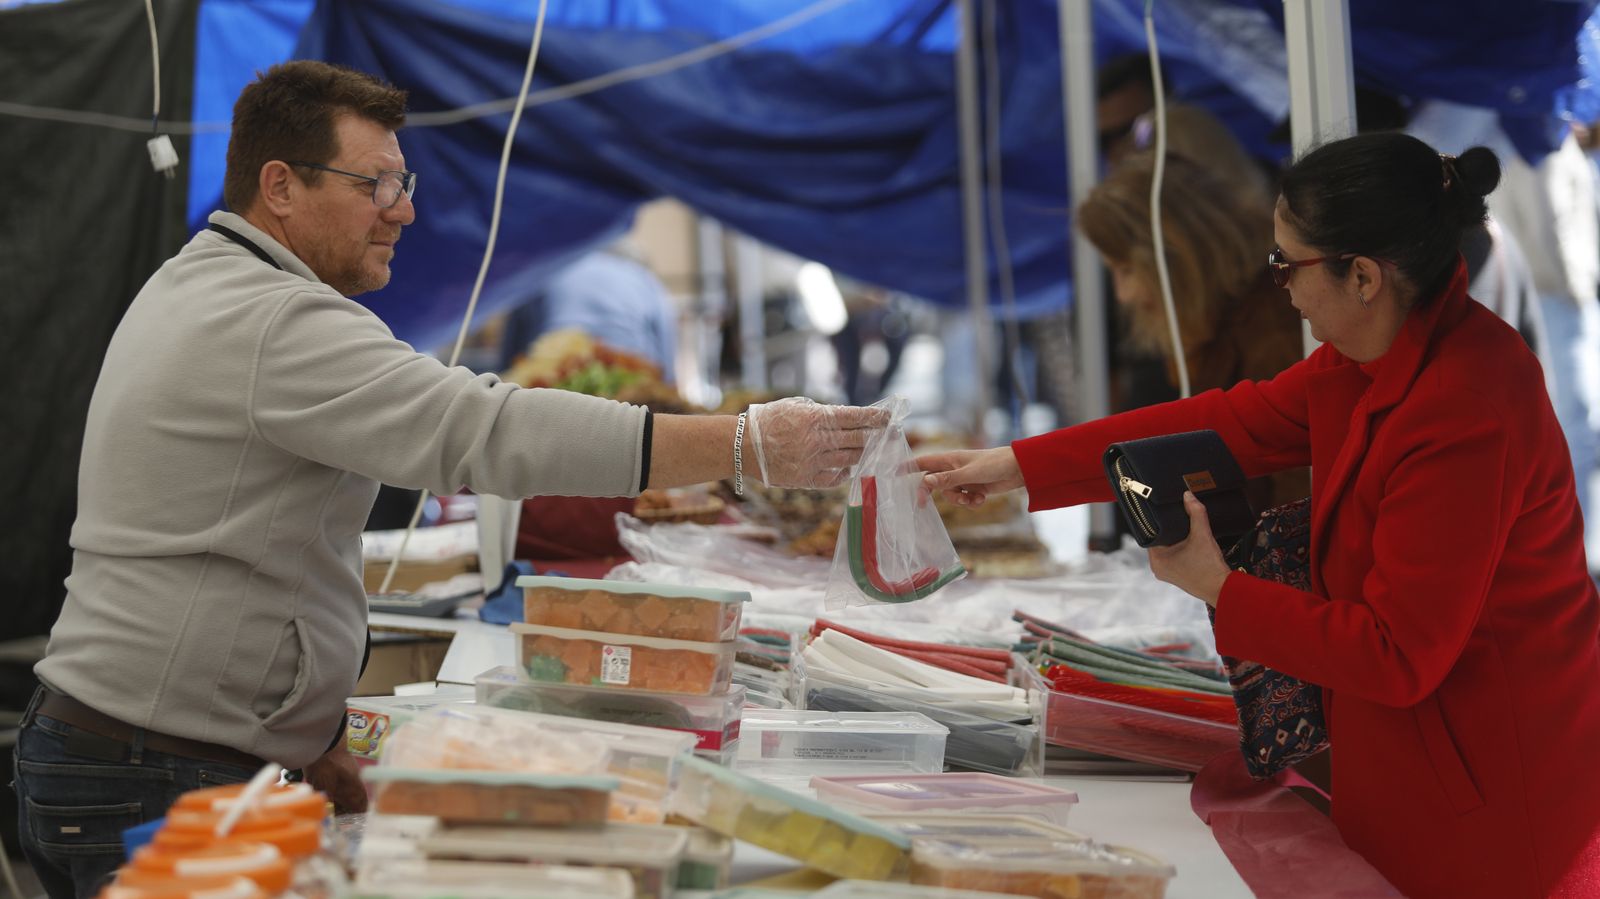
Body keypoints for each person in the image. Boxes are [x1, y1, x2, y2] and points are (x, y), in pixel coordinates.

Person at [13, 60, 882, 899]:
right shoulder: (272, 316)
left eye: (405, 183)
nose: (402, 211)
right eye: (374, 185)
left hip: (141, 749)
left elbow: (241, 536)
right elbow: (488, 429)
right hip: (149, 771)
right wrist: (742, 442)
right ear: (279, 186)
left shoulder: (212, 284)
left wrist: (308, 742)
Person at [920, 133, 1600, 897]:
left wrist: (1220, 586)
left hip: (1493, 803)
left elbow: (1398, 652)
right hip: (1411, 764)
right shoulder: (1371, 353)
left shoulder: (1467, 407)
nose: (1277, 283)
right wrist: (1017, 466)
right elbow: (1227, 424)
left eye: (1286, 263)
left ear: (1365, 276)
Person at [1077, 145, 1308, 511]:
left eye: (1126, 270)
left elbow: (1298, 484)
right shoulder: (1213, 324)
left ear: (1176, 256)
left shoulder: (1276, 325)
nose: (1123, 295)